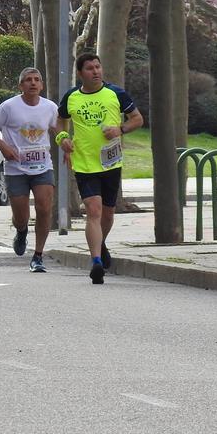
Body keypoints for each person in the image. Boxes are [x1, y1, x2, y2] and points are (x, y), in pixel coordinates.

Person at [57, 52, 144, 284]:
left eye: (98, 67)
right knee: (93, 211)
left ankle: (100, 243)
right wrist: (63, 139)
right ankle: (96, 261)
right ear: (79, 73)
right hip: (84, 163)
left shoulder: (116, 93)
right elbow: (59, 121)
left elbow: (137, 119)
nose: (95, 71)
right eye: (89, 68)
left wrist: (120, 130)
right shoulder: (71, 97)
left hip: (111, 162)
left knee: (107, 213)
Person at [0, 66, 59, 272]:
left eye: (37, 79)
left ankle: (38, 256)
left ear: (42, 85)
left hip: (43, 166)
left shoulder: (50, 107)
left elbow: (58, 129)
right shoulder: (9, 107)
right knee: (21, 216)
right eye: (28, 80)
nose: (33, 83)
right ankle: (21, 230)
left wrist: (67, 144)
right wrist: (4, 147)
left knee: (45, 208)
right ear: (21, 85)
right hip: (16, 168)